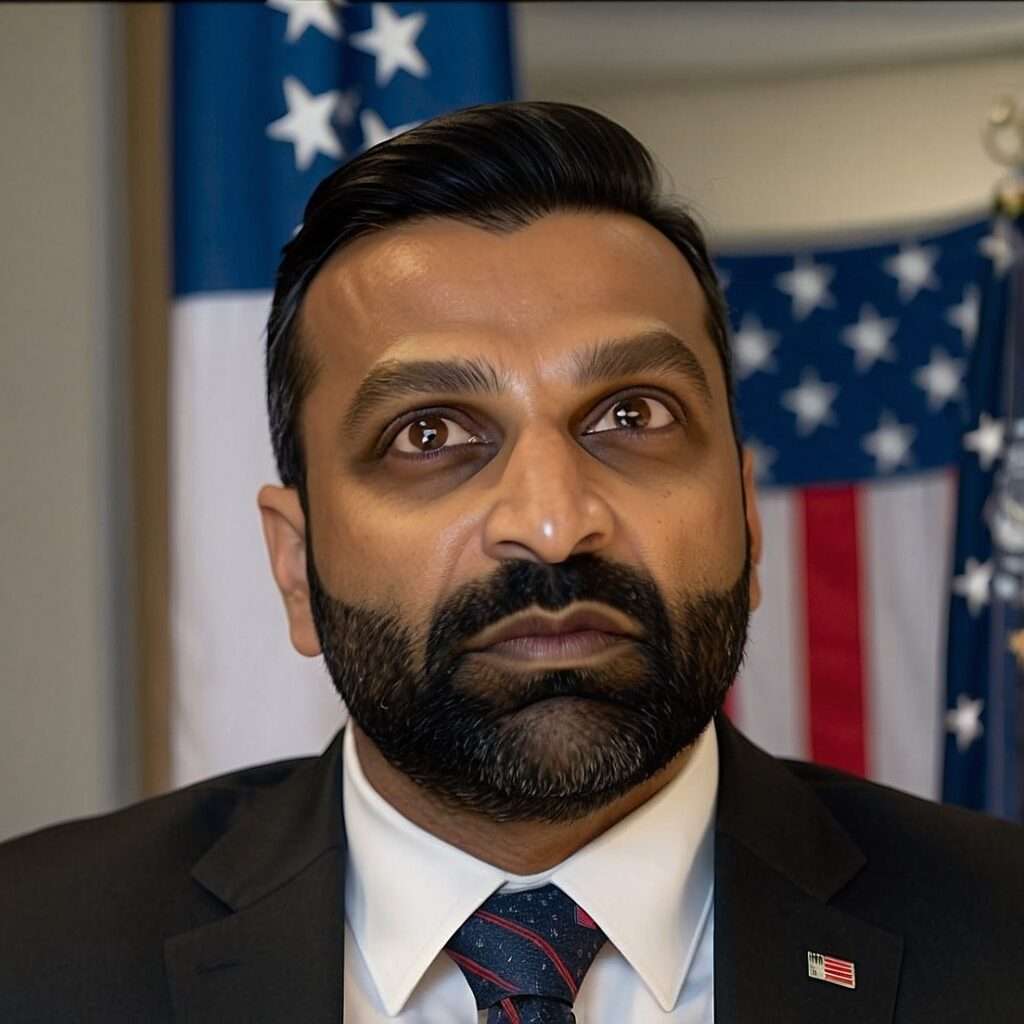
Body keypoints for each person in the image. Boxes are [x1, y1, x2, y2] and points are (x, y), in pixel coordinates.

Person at [1, 100, 1021, 1023]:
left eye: (632, 414)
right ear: (293, 563)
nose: (550, 524)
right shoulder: (32, 956)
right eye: (430, 434)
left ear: (747, 518)